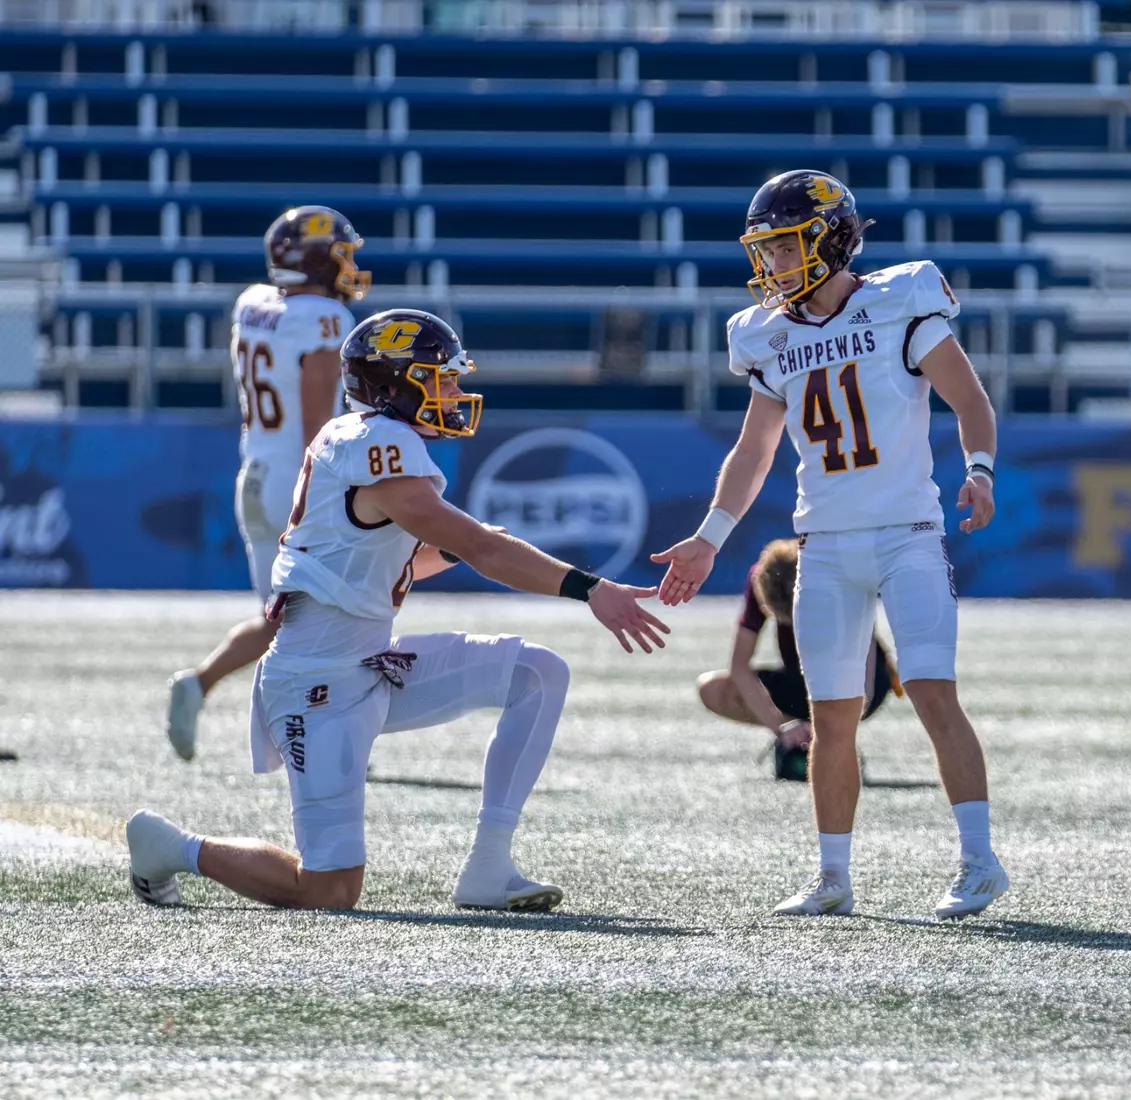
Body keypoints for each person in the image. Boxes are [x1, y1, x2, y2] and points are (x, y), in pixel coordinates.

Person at [127, 309, 668, 912]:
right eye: (441, 378)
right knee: (328, 892)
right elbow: (482, 549)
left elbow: (394, 561)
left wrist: (461, 548)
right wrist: (591, 589)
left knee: (538, 674)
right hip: (315, 683)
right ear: (395, 386)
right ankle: (173, 847)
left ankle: (489, 869)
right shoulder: (380, 444)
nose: (455, 392)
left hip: (373, 661)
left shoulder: (360, 437)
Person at [651, 170, 1007, 920]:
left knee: (936, 695)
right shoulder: (768, 335)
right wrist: (710, 538)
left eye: (784, 246)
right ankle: (832, 874)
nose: (773, 264)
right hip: (825, 544)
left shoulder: (901, 300)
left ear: (830, 237)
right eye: (768, 249)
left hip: (908, 532)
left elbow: (968, 397)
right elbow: (752, 452)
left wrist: (979, 471)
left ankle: (979, 860)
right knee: (831, 714)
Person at [165, 206, 369, 762]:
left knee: (283, 620)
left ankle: (201, 685)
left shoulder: (252, 304)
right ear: (316, 260)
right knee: (339, 617)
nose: (349, 265)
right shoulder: (323, 318)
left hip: (253, 478)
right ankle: (323, 734)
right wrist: (327, 490)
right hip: (297, 481)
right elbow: (316, 422)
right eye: (341, 254)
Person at [696, 537, 898, 781]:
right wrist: (781, 727)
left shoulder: (839, 578)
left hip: (854, 677)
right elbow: (739, 666)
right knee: (713, 688)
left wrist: (840, 732)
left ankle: (830, 738)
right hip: (800, 678)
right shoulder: (760, 578)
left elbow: (865, 677)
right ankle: (801, 733)